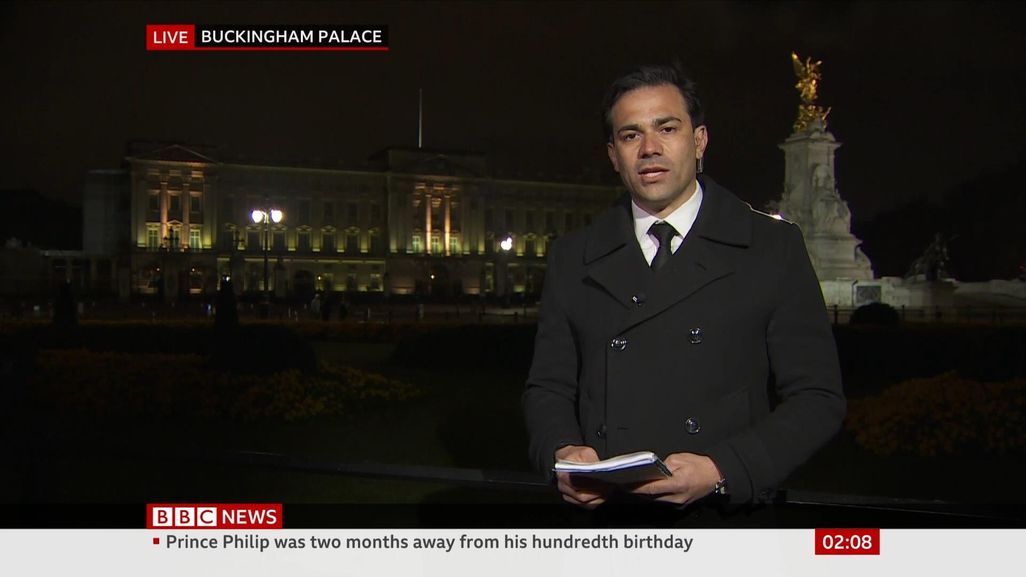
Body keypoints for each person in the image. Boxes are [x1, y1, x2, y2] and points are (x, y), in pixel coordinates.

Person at [522, 64, 845, 510]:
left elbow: (817, 398)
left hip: (721, 522)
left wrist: (723, 469)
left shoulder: (772, 247)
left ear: (699, 140)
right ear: (613, 155)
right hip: (609, 518)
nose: (649, 149)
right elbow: (548, 388)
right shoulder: (572, 257)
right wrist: (562, 452)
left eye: (667, 128)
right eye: (631, 135)